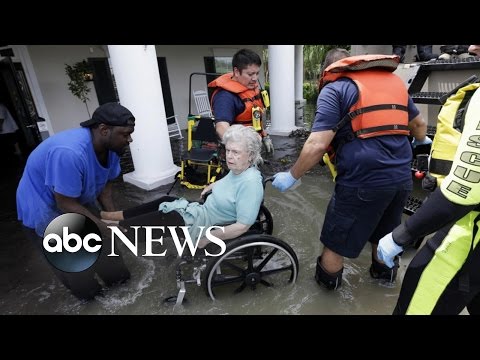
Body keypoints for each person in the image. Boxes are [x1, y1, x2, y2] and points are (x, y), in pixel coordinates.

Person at [272, 48, 431, 290]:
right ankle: (384, 287)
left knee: (336, 242)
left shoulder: (334, 89)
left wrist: (292, 174)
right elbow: (419, 124)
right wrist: (421, 141)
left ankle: (327, 292)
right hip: (401, 178)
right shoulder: (394, 84)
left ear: (329, 70)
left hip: (361, 181)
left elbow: (317, 144)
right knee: (385, 237)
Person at [377, 44, 480, 315]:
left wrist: (402, 234)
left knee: (414, 303)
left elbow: (464, 190)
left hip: (469, 232)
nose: (471, 47)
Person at [16, 102, 135, 300]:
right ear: (104, 130)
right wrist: (101, 226)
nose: (129, 139)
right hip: (45, 206)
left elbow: (105, 186)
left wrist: (113, 219)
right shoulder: (69, 152)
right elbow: (64, 203)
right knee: (79, 273)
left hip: (77, 198)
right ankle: (92, 302)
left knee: (113, 264)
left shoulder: (113, 148)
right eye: (125, 134)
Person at [101, 125, 264, 250]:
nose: (229, 156)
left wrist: (208, 238)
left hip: (208, 225)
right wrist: (212, 185)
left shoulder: (251, 183)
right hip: (203, 212)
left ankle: (115, 230)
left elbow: (243, 226)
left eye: (235, 152)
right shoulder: (238, 169)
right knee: (165, 200)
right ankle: (113, 216)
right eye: (228, 150)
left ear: (250, 155)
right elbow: (230, 180)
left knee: (167, 218)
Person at [208, 48, 274, 155]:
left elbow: (256, 119)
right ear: (237, 72)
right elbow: (221, 128)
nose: (255, 78)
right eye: (250, 74)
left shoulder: (250, 88)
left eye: (257, 73)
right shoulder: (225, 96)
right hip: (239, 153)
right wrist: (242, 148)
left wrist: (265, 136)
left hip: (254, 145)